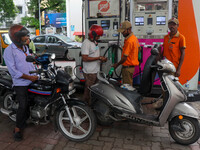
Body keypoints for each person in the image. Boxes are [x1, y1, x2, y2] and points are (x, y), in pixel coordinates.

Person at [3, 24, 38, 141]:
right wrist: (29, 77)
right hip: (20, 83)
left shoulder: (25, 48)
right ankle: (17, 128)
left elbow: (29, 62)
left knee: (33, 100)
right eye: (24, 36)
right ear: (16, 38)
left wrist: (36, 70)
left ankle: (29, 117)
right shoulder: (9, 51)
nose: (26, 37)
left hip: (31, 78)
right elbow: (13, 71)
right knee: (22, 105)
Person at [81, 24, 107, 105]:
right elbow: (84, 58)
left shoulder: (94, 42)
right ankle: (85, 107)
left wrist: (101, 59)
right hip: (90, 72)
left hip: (95, 71)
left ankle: (92, 105)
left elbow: (94, 54)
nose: (99, 38)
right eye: (98, 36)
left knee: (94, 91)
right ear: (94, 34)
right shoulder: (86, 43)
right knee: (88, 90)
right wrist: (99, 58)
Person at [113, 21, 140, 86]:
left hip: (127, 68)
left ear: (129, 29)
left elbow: (125, 57)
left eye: (123, 31)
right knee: (129, 86)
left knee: (127, 88)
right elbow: (139, 49)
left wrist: (117, 64)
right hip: (131, 67)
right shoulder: (134, 38)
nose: (122, 33)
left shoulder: (129, 41)